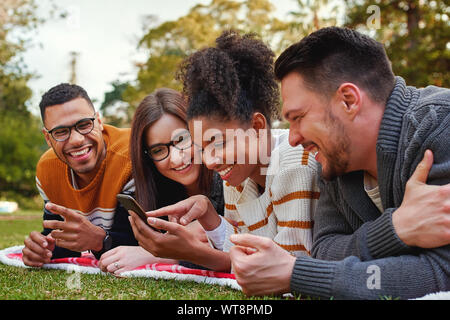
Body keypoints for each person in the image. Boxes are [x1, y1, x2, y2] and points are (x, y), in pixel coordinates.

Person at [228, 26, 450, 299]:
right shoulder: (334, 159)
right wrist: (396, 229)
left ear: (348, 101)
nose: (293, 138)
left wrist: (297, 275)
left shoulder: (440, 127)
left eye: (298, 117)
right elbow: (325, 250)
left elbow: (441, 274)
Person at [145, 30, 320, 260]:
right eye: (202, 147)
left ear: (257, 126)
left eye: (218, 142)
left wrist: (199, 255)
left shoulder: (292, 164)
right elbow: (239, 245)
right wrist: (210, 217)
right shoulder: (238, 173)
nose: (209, 161)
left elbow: (289, 270)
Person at [101, 88, 229, 274]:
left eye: (182, 139)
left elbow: (244, 257)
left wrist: (163, 253)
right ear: (147, 157)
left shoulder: (230, 178)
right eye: (159, 150)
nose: (177, 159)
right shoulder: (149, 190)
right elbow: (120, 250)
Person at [22, 83, 138, 267]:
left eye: (84, 125)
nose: (76, 140)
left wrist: (100, 240)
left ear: (99, 122)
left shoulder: (131, 157)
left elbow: (144, 241)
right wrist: (44, 248)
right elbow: (62, 234)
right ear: (48, 138)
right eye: (60, 132)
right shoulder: (47, 169)